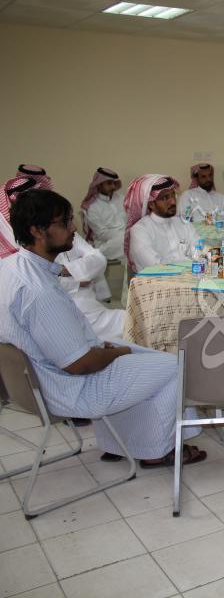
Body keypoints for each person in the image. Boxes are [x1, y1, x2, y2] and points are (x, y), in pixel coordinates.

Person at [0, 189, 205, 466]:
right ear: (36, 230)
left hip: (38, 382)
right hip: (71, 388)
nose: (73, 228)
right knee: (176, 367)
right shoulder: (38, 291)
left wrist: (108, 350)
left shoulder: (11, 267)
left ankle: (124, 443)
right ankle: (158, 451)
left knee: (152, 356)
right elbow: (81, 364)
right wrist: (114, 353)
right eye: (64, 222)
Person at [125, 174, 199, 272]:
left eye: (173, 195)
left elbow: (199, 250)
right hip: (157, 281)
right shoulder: (140, 230)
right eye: (165, 198)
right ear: (151, 204)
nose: (173, 202)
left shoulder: (183, 223)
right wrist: (190, 264)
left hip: (191, 276)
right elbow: (156, 267)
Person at [81, 167, 126, 260]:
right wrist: (126, 233)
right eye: (109, 183)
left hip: (126, 237)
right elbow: (102, 234)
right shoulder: (92, 207)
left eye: (114, 183)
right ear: (99, 184)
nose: (113, 187)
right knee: (127, 239)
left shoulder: (122, 199)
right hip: (106, 244)